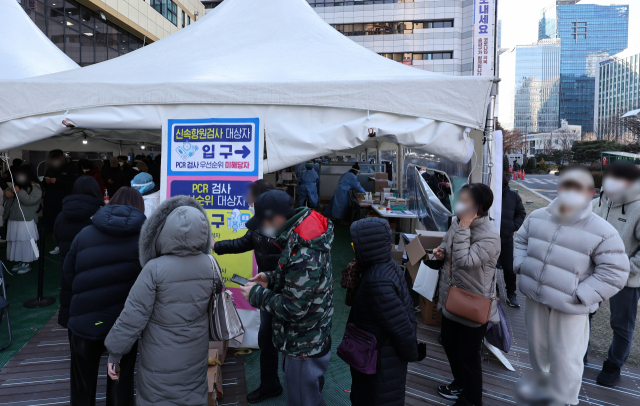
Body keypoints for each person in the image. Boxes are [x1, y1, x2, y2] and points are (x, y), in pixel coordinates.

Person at [513, 165, 629, 405]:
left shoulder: (602, 230)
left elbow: (616, 272)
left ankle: (565, 401)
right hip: (535, 299)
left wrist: (582, 294)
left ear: (590, 192)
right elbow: (520, 239)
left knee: (566, 362)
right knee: (538, 354)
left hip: (569, 308)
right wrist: (522, 266)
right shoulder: (537, 216)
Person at [104, 196, 215, 405]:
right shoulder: (210, 265)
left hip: (159, 355)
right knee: (193, 394)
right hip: (196, 350)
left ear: (165, 230)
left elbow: (132, 317)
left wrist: (114, 351)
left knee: (158, 399)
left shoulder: (153, 269)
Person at [239, 190, 334, 406]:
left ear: (275, 217)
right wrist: (270, 279)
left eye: (264, 222)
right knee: (309, 394)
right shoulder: (301, 232)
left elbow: (293, 308)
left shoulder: (304, 251)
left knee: (302, 399)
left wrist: (256, 295)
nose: (264, 228)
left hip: (304, 343)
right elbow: (300, 279)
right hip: (312, 333)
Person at [63, 187, 145, 406]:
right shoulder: (144, 241)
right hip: (123, 324)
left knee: (82, 384)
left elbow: (68, 273)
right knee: (120, 382)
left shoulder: (84, 234)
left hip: (84, 321)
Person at [212, 179, 282, 403]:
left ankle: (297, 382)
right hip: (265, 288)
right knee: (266, 337)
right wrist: (216, 246)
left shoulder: (284, 225)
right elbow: (243, 242)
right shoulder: (260, 223)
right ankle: (271, 384)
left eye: (251, 197)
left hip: (286, 289)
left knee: (289, 336)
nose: (247, 201)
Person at [433, 183, 500, 406]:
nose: (459, 204)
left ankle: (471, 400)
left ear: (479, 207)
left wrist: (463, 227)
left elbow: (465, 261)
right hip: (451, 299)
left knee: (470, 357)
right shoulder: (457, 223)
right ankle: (460, 383)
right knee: (450, 345)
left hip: (473, 305)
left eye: (465, 200)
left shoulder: (490, 235)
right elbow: (448, 246)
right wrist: (441, 251)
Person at [349, 217, 424, 405]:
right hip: (383, 358)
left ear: (368, 245)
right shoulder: (386, 265)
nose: (353, 247)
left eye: (355, 243)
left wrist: (412, 353)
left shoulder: (377, 281)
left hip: (379, 362)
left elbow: (401, 328)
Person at [592, 162, 640, 386]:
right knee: (584, 314)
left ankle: (613, 365)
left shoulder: (638, 207)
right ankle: (577, 354)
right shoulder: (600, 201)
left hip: (626, 278)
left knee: (621, 325)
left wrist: (626, 267)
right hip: (593, 272)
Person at [54, 176, 104, 328]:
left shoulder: (61, 215)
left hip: (68, 270)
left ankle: (75, 347)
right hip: (95, 271)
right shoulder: (101, 215)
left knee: (71, 312)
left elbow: (57, 240)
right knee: (94, 314)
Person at [4, 164, 43, 274]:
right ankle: (22, 261)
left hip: (26, 220)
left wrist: (19, 192)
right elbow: (7, 191)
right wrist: (7, 192)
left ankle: (28, 263)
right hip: (13, 218)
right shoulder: (16, 184)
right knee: (16, 242)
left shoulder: (35, 187)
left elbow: (30, 201)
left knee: (26, 243)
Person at [499, 172, 526, 307]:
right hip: (488, 237)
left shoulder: (513, 196)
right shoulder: (488, 193)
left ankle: (511, 293)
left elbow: (521, 213)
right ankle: (493, 290)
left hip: (506, 238)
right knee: (488, 266)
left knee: (509, 268)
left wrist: (512, 226)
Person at [43, 150, 74, 228]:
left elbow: (72, 184)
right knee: (49, 219)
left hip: (63, 199)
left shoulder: (70, 168)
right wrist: (46, 182)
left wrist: (57, 181)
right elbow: (43, 184)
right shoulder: (50, 169)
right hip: (50, 199)